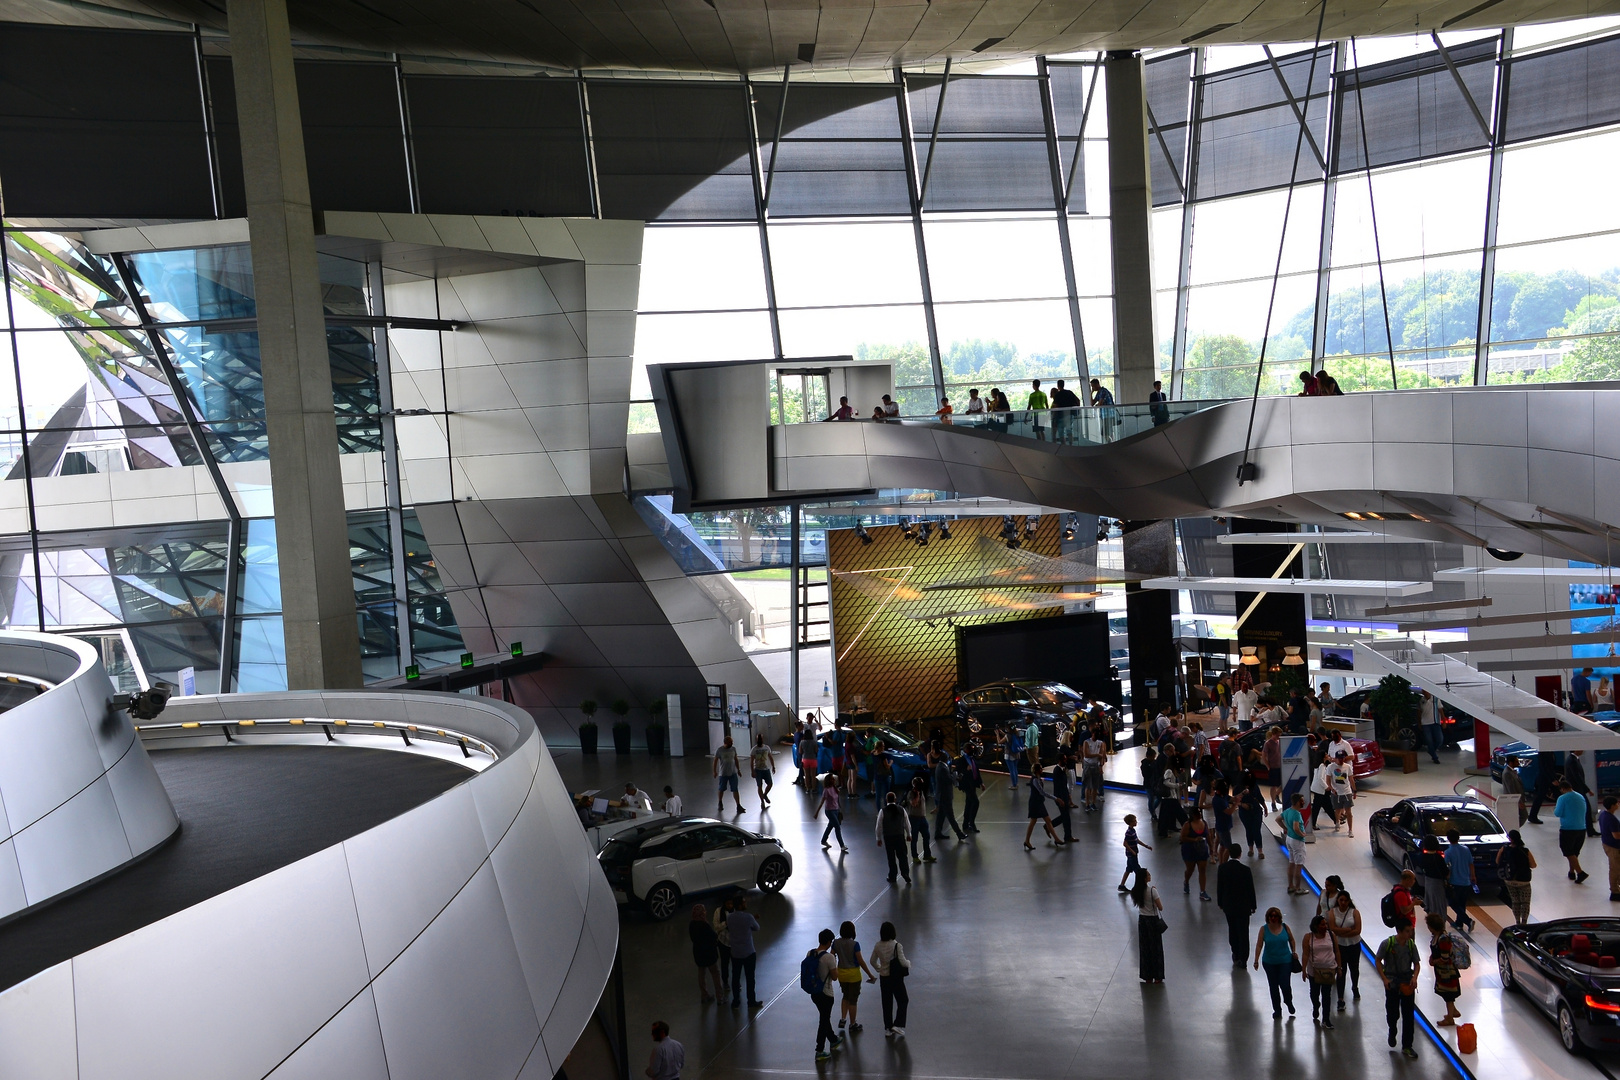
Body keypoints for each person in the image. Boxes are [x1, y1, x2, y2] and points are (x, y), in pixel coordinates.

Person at [1376, 920, 1421, 1058]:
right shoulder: (1387, 944)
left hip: (1407, 983)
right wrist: (1384, 978)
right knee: (1392, 1011)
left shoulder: (1411, 945)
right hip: (1392, 983)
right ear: (1399, 931)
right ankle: (1392, 1028)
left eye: (1411, 931)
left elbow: (1416, 964)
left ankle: (1407, 1046)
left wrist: (1415, 978)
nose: (1410, 933)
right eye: (1407, 931)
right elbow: (1378, 960)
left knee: (1408, 1016)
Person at [1254, 908, 1299, 1019]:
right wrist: (1256, 960)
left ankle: (1288, 1001)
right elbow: (1259, 945)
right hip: (1269, 962)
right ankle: (1277, 1010)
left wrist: (1293, 951)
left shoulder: (1285, 927)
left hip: (1285, 961)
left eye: (1275, 916)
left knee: (1285, 985)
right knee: (1273, 987)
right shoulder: (1264, 930)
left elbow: (1292, 939)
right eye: (1271, 916)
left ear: (1279, 917)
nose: (1273, 918)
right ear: (1268, 918)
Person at [832, 920, 876, 1033]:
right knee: (853, 1000)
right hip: (854, 975)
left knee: (845, 996)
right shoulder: (855, 944)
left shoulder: (835, 943)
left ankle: (843, 1019)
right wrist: (870, 974)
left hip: (841, 973)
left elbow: (832, 957)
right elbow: (860, 961)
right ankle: (852, 1024)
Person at [1217, 844, 1257, 965]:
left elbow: (1220, 887)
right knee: (1243, 931)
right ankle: (1243, 958)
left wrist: (1220, 902)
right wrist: (1253, 905)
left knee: (1232, 929)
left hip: (1229, 905)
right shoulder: (1245, 870)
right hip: (1243, 907)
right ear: (1240, 853)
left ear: (1229, 854)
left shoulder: (1222, 869)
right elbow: (1251, 889)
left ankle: (1235, 953)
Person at [869, 921, 909, 1037]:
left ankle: (888, 1028)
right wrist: (909, 963)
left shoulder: (878, 945)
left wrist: (879, 968)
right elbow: (902, 961)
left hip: (884, 978)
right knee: (903, 1000)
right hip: (895, 978)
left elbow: (872, 961)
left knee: (886, 1003)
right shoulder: (896, 945)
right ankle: (898, 1024)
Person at [1302, 914, 1342, 1028]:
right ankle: (1316, 1005)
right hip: (1314, 971)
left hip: (1329, 970)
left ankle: (1326, 1019)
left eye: (1325, 924)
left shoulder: (1331, 935)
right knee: (1314, 993)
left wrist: (1339, 967)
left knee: (1326, 995)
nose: (1325, 926)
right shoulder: (1308, 937)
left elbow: (1337, 951)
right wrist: (1303, 969)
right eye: (1322, 924)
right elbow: (1305, 954)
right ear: (1315, 926)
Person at [808, 928, 842, 1062]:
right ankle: (819, 1050)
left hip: (814, 992)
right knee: (823, 1020)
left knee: (824, 1017)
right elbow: (834, 977)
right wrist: (835, 962)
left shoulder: (810, 953)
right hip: (826, 994)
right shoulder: (829, 957)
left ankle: (833, 1039)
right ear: (828, 942)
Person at [1426, 912, 1463, 1027]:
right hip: (1441, 973)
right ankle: (1453, 1011)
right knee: (1445, 993)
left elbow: (1445, 958)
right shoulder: (1437, 937)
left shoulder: (1443, 939)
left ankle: (1450, 1018)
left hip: (1447, 972)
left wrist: (1434, 961)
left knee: (1448, 995)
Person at [1329, 888, 1363, 1006]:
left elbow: (1358, 930)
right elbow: (1332, 928)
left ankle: (1355, 986)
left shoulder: (1354, 912)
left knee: (1354, 969)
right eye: (1341, 900)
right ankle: (1340, 998)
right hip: (1340, 947)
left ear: (1349, 901)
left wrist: (1341, 932)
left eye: (1345, 900)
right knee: (1341, 970)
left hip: (1354, 945)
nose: (1343, 902)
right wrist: (1348, 930)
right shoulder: (1332, 912)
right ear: (1338, 900)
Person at [728, 895, 762, 1009]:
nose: (746, 903)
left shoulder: (730, 917)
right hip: (748, 952)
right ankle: (751, 1001)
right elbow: (757, 928)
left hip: (735, 952)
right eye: (744, 902)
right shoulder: (748, 918)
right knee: (750, 978)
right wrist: (753, 919)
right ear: (740, 905)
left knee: (735, 977)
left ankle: (736, 1000)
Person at [1131, 869, 1165, 983]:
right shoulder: (1152, 891)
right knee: (1156, 948)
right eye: (1148, 874)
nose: (1150, 876)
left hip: (1142, 920)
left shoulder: (1135, 891)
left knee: (1145, 948)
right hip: (1153, 920)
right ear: (1145, 878)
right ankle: (1158, 976)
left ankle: (1147, 976)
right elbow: (1160, 908)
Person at [1497, 829, 1537, 925]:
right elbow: (1533, 865)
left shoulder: (1504, 849)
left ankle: (1517, 922)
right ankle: (1524, 922)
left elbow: (1498, 861)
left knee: (1515, 902)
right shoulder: (1525, 851)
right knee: (1525, 903)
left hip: (1509, 880)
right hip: (1524, 880)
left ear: (1510, 839)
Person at [1556, 777, 1592, 883]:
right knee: (1574, 852)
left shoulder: (1562, 798)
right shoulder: (1580, 796)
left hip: (1568, 828)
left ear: (1562, 789)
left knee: (1567, 851)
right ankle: (1572, 872)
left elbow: (1557, 813)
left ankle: (1580, 872)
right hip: (1581, 828)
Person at [876, 791, 913, 885]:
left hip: (888, 837)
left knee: (891, 857)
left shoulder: (882, 811)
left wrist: (878, 838)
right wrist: (909, 834)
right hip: (900, 836)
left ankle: (892, 875)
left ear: (886, 800)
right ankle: (905, 873)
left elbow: (879, 826)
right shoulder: (901, 809)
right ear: (895, 799)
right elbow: (907, 823)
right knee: (903, 856)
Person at [1444, 831, 1478, 932]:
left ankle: (1468, 921)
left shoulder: (1448, 852)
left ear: (1448, 839)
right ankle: (1459, 923)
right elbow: (1471, 863)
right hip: (1466, 881)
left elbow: (1447, 868)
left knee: (1453, 903)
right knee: (1462, 904)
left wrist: (1446, 879)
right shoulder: (1466, 849)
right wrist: (1473, 876)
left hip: (1455, 882)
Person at [689, 904, 723, 1004]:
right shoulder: (705, 925)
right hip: (709, 954)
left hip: (698, 953)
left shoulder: (692, 924)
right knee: (715, 974)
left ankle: (704, 995)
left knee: (701, 974)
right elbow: (713, 937)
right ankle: (720, 997)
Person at [1023, 766, 1064, 849]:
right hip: (1035, 803)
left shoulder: (1037, 779)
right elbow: (1042, 792)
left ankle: (1056, 839)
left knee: (1046, 820)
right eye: (1041, 768)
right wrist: (1056, 798)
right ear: (1038, 770)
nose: (1042, 770)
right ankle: (1027, 841)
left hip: (1038, 802)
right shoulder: (1035, 780)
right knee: (1034, 821)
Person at [933, 751, 966, 843]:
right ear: (946, 759)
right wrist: (956, 778)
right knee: (950, 816)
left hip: (941, 795)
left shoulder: (940, 766)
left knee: (940, 816)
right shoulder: (943, 768)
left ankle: (937, 833)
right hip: (945, 796)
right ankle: (959, 833)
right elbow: (947, 780)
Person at [1180, 810, 1212, 900]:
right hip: (1189, 850)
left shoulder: (1204, 823)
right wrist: (1194, 839)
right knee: (1190, 869)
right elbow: (1182, 838)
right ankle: (1186, 881)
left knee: (1202, 869)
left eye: (1200, 813)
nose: (1200, 815)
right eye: (1197, 814)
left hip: (1202, 849)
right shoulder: (1187, 825)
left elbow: (1208, 835)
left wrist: (1211, 847)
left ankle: (1202, 891)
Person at [1280, 793, 1308, 894]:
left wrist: (1286, 828)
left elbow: (1278, 819)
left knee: (1291, 862)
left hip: (1289, 839)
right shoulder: (1297, 814)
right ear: (1297, 802)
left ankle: (1290, 885)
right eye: (1302, 801)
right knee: (1299, 865)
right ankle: (1298, 888)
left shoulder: (1287, 811)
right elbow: (1296, 827)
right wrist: (1302, 834)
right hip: (1297, 841)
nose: (1303, 802)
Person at [1567, 748, 1598, 836]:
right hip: (1577, 790)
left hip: (1578, 790)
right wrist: (1587, 789)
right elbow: (1577, 777)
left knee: (1584, 810)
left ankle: (1589, 830)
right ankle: (1589, 830)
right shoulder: (1572, 761)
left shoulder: (1573, 759)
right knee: (1586, 809)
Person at [815, 772, 847, 852]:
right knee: (837, 827)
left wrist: (839, 809)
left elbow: (836, 800)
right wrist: (817, 812)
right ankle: (842, 845)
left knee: (830, 826)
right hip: (829, 811)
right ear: (829, 780)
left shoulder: (834, 788)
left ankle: (823, 840)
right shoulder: (826, 790)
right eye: (832, 779)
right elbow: (822, 802)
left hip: (835, 810)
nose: (834, 780)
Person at [905, 776, 934, 863]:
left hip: (922, 818)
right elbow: (913, 804)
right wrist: (917, 794)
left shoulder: (922, 792)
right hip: (914, 818)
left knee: (926, 836)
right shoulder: (911, 793)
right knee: (914, 838)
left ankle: (927, 855)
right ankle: (915, 857)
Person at [713, 736, 745, 814]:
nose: (732, 743)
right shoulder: (720, 750)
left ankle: (738, 805)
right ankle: (720, 802)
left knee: (735, 789)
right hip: (723, 773)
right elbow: (715, 761)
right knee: (721, 789)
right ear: (726, 742)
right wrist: (714, 771)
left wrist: (738, 770)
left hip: (733, 773)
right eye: (730, 742)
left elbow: (736, 759)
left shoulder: (733, 749)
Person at [1418, 835, 1448, 917]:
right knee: (1439, 905)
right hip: (1437, 883)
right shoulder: (1438, 858)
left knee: (1431, 904)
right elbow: (1445, 871)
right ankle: (1440, 924)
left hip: (1428, 882)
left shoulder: (1422, 857)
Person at [1120, 812, 1151, 891]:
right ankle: (1141, 887)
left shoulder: (1133, 831)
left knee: (1128, 869)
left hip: (1133, 854)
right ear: (1130, 822)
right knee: (1138, 871)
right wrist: (1132, 851)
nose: (1136, 822)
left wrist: (1146, 846)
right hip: (1131, 855)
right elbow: (1125, 843)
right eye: (1134, 821)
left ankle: (1122, 885)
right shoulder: (1128, 833)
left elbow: (1137, 840)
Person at [1238, 775, 1266, 859]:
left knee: (1256, 830)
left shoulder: (1254, 786)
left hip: (1256, 810)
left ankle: (1260, 851)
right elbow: (1234, 800)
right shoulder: (1238, 788)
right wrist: (1242, 805)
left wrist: (1265, 807)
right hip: (1244, 812)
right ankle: (1251, 849)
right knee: (1249, 830)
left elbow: (1259, 797)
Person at [957, 744, 984, 832]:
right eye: (970, 749)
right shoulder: (961, 760)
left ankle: (966, 824)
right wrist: (966, 770)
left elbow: (976, 771)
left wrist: (981, 783)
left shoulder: (972, 759)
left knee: (968, 804)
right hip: (967, 785)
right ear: (965, 750)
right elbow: (957, 772)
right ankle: (971, 823)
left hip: (972, 784)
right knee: (975, 802)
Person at [1329, 751, 1356, 836]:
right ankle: (1337, 822)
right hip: (1336, 793)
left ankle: (1350, 830)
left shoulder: (1347, 767)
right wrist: (1332, 789)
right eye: (1339, 758)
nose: (1341, 760)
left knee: (1348, 812)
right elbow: (1328, 779)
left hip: (1347, 792)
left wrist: (1354, 790)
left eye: (1342, 758)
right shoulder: (1331, 767)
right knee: (1337, 810)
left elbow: (1351, 779)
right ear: (1336, 758)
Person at [1051, 754, 1076, 843]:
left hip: (1064, 796)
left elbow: (1064, 785)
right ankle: (1068, 836)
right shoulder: (1057, 771)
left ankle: (1049, 826)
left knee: (1065, 816)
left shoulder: (1062, 770)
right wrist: (1060, 799)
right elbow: (1058, 787)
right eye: (1064, 760)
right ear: (1060, 760)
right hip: (1060, 797)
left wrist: (1068, 796)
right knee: (1066, 817)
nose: (1066, 761)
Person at [1081, 727, 1105, 810]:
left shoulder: (1100, 743)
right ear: (1092, 734)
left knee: (1095, 786)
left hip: (1095, 765)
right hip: (1088, 765)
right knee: (1088, 786)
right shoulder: (1086, 742)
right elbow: (1086, 754)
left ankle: (1093, 803)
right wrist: (1097, 755)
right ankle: (1087, 804)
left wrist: (1101, 766)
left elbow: (1102, 755)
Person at [713, 897, 734, 998]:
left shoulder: (736, 911)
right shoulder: (718, 911)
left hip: (735, 942)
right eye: (728, 904)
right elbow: (716, 926)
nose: (730, 906)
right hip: (723, 942)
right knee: (725, 963)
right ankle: (725, 981)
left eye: (731, 904)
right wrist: (726, 923)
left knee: (736, 963)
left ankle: (736, 981)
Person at [1050, 378, 1081, 442]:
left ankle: (1063, 447)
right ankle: (1071, 446)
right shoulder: (1069, 392)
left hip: (1061, 416)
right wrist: (1077, 410)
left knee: (1061, 432)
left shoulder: (1058, 395)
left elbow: (1056, 406)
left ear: (1058, 386)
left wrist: (1053, 416)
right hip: (1070, 414)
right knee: (1069, 430)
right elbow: (1078, 400)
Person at [1602, 795, 1620, 901]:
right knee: (1615, 868)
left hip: (1607, 844)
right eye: (1617, 803)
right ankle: (1615, 891)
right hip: (1613, 846)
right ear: (1612, 806)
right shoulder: (1611, 819)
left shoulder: (1604, 815)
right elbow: (1616, 835)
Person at [751, 734, 775, 807]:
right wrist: (752, 771)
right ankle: (762, 801)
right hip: (758, 770)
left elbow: (770, 757)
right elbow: (751, 761)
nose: (759, 740)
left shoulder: (766, 748)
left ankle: (764, 795)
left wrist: (773, 766)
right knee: (759, 786)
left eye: (760, 739)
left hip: (766, 769)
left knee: (770, 784)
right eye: (758, 739)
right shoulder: (754, 749)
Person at [1418, 690, 1442, 765]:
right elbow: (1419, 712)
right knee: (1429, 741)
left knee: (1440, 739)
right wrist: (1419, 722)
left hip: (1435, 722)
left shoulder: (1435, 699)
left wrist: (1443, 721)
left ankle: (1431, 750)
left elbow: (1440, 710)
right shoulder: (1421, 700)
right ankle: (1435, 757)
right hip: (1425, 723)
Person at [1140, 745, 1163, 822]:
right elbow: (1145, 774)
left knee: (1158, 798)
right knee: (1151, 798)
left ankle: (1152, 808)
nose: (1154, 758)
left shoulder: (1155, 763)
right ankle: (1153, 813)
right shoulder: (1144, 764)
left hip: (1155, 783)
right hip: (1148, 784)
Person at [1263, 727, 1282, 808]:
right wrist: (1268, 766)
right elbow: (1264, 756)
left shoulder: (1279, 742)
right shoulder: (1268, 743)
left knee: (1284, 783)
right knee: (1273, 785)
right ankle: (1273, 802)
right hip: (1273, 767)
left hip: (1280, 766)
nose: (1279, 736)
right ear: (1274, 734)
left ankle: (1277, 794)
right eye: (1278, 735)